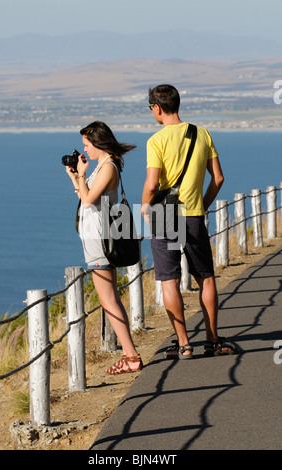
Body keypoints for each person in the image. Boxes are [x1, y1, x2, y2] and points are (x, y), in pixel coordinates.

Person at [141, 84, 238, 358]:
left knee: (169, 280)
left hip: (164, 214)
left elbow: (151, 184)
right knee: (206, 278)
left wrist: (145, 210)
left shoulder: (156, 141)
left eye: (151, 108)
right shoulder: (203, 134)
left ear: (156, 108)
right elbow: (218, 178)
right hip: (193, 214)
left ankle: (184, 344)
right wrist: (203, 205)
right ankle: (212, 339)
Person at [65, 121, 143, 374]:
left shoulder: (108, 167)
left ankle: (131, 355)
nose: (84, 150)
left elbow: (88, 200)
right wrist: (77, 178)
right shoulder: (103, 166)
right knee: (110, 299)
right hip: (96, 238)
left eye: (87, 144)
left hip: (100, 240)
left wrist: (82, 177)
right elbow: (85, 197)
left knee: (108, 300)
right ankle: (129, 353)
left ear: (99, 142)